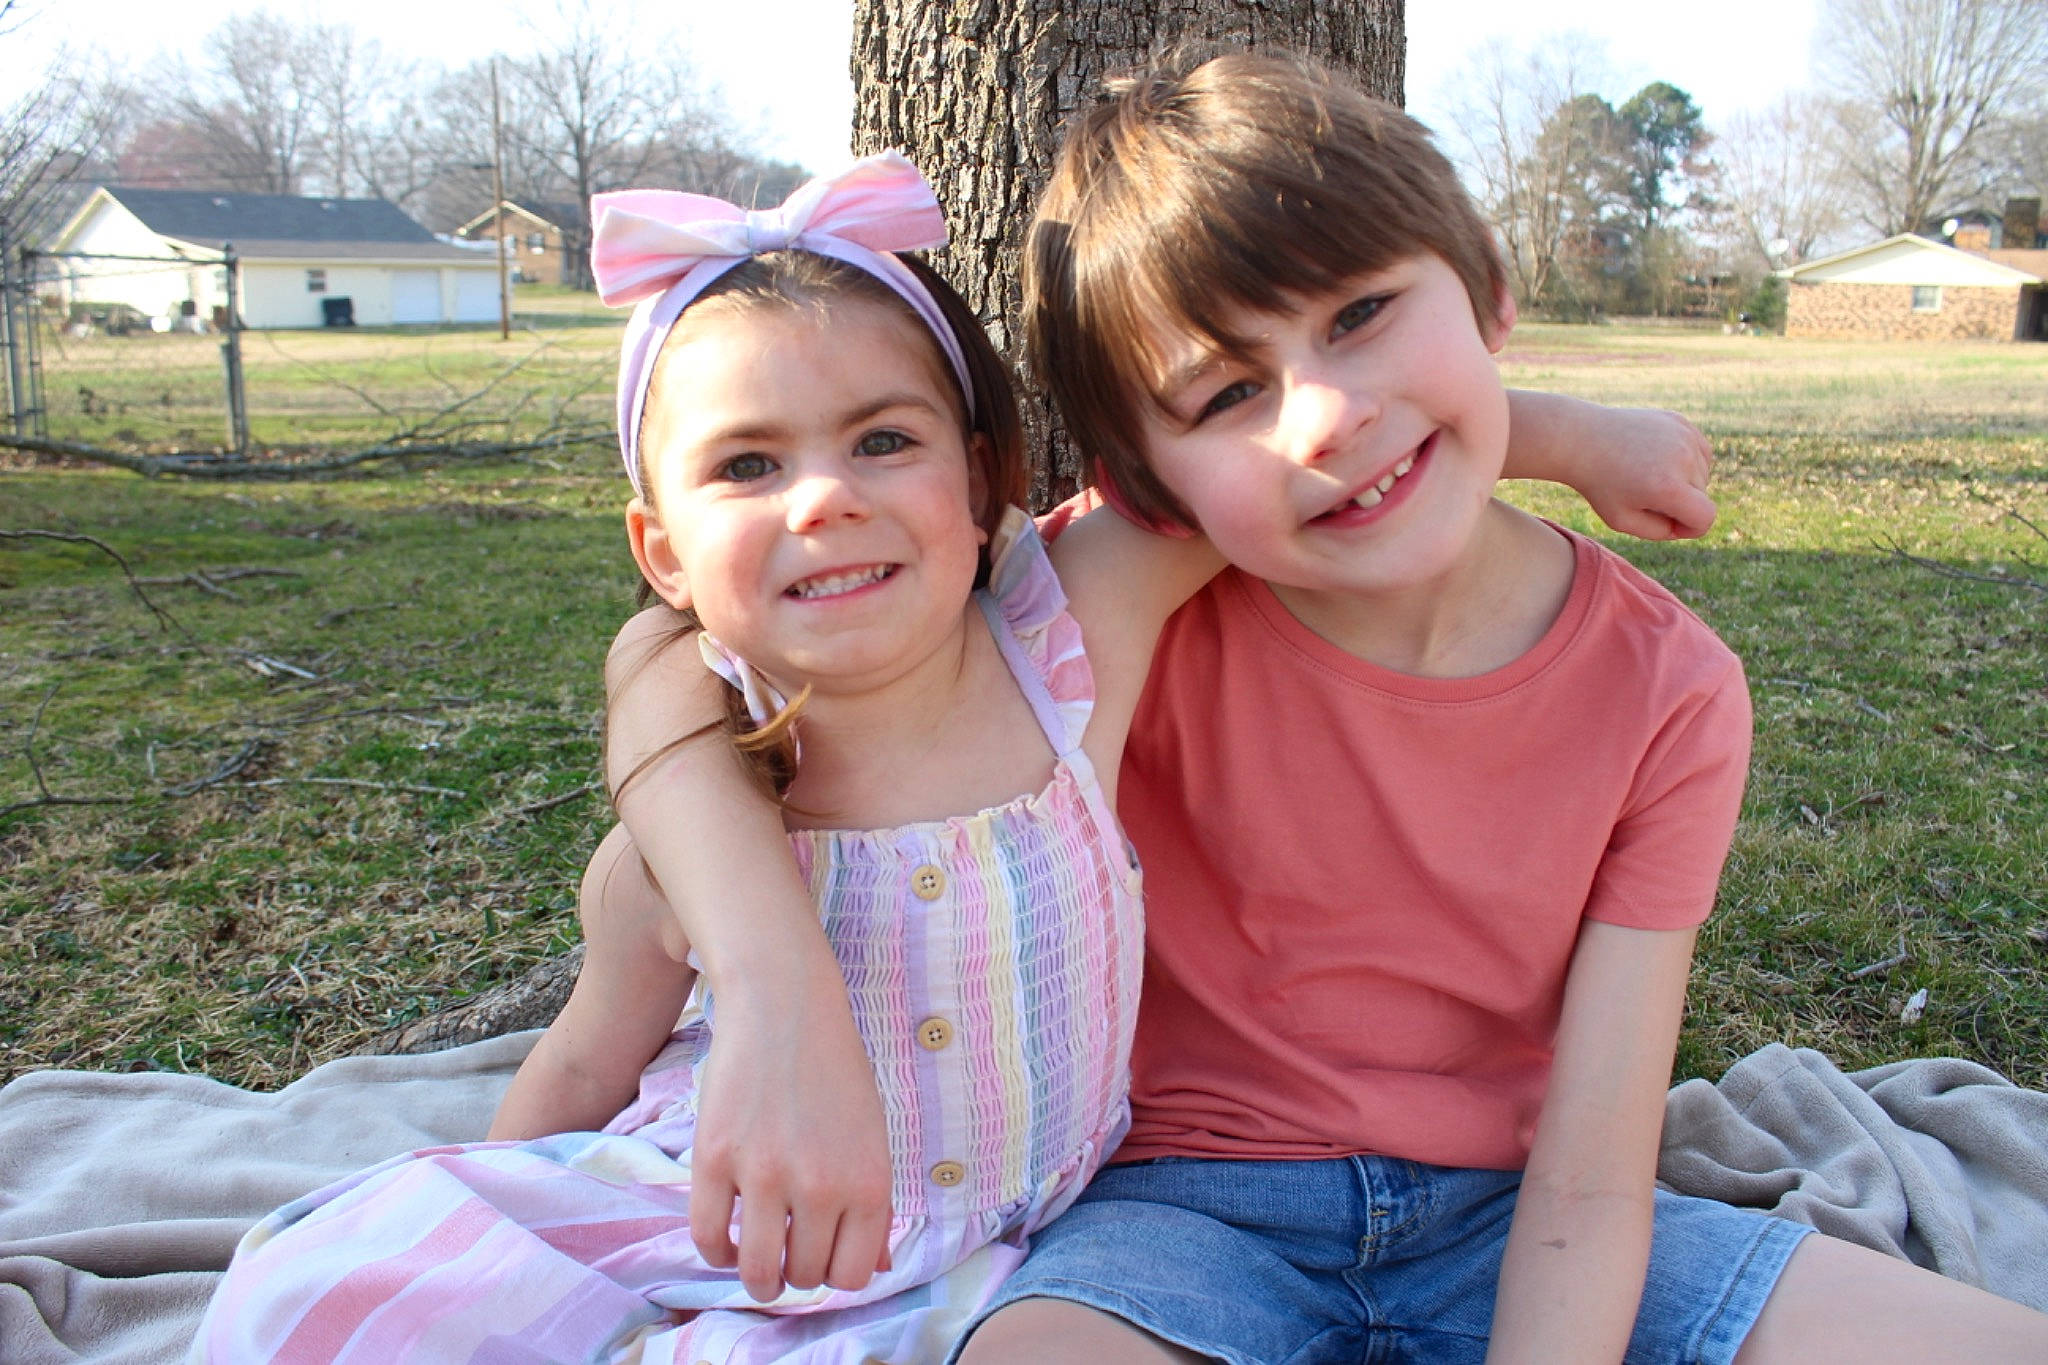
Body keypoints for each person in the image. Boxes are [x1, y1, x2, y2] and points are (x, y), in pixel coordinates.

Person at [940, 50, 2048, 1365]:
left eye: (1361, 314)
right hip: (1178, 1214)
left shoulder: (1668, 688)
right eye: (1231, 393)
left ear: (1492, 291)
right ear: (1153, 482)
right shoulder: (1116, 610)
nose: (1328, 415)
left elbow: (1590, 1178)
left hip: (1519, 1212)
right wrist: (1562, 431)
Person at [190, 151, 1226, 1363]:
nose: (821, 498)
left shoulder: (1063, 659)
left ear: (982, 477)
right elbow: (583, 1059)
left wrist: (1500, 422)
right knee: (333, 1309)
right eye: (746, 466)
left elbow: (1261, 472)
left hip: (1004, 1259)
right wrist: (492, 1231)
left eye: (884, 440)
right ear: (663, 550)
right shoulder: (697, 820)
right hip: (724, 1237)